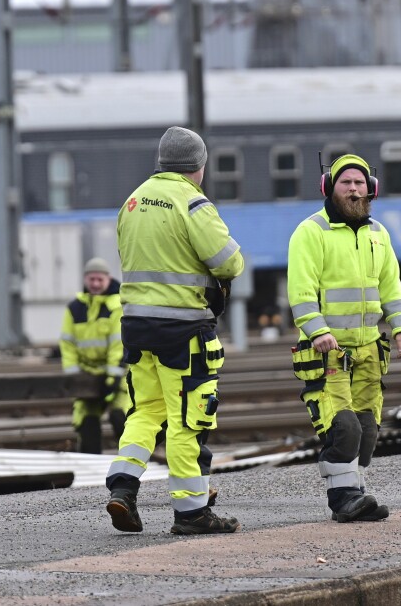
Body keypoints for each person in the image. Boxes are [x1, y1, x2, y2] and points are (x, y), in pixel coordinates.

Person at [105, 126, 244, 535]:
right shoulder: (192, 202)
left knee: (146, 410)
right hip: (182, 329)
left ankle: (123, 487)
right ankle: (192, 513)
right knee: (188, 419)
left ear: (162, 162)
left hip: (135, 326)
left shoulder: (132, 201)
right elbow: (229, 262)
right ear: (198, 165)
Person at [287, 153, 401, 523]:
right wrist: (318, 330)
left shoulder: (379, 234)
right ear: (330, 188)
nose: (354, 189)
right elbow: (301, 290)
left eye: (360, 183)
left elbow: (391, 285)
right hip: (329, 352)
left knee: (367, 430)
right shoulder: (311, 232)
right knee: (343, 427)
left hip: (370, 350)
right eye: (346, 183)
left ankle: (356, 494)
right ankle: (343, 500)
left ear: (370, 189)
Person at [60, 257, 129, 454]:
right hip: (88, 375)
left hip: (118, 374)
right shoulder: (74, 309)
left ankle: (133, 464)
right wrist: (75, 377)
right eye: (92, 279)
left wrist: (113, 377)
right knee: (86, 421)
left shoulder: (117, 306)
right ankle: (92, 464)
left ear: (108, 279)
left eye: (100, 279)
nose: (96, 284)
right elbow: (68, 345)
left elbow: (119, 344)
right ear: (85, 280)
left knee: (121, 417)